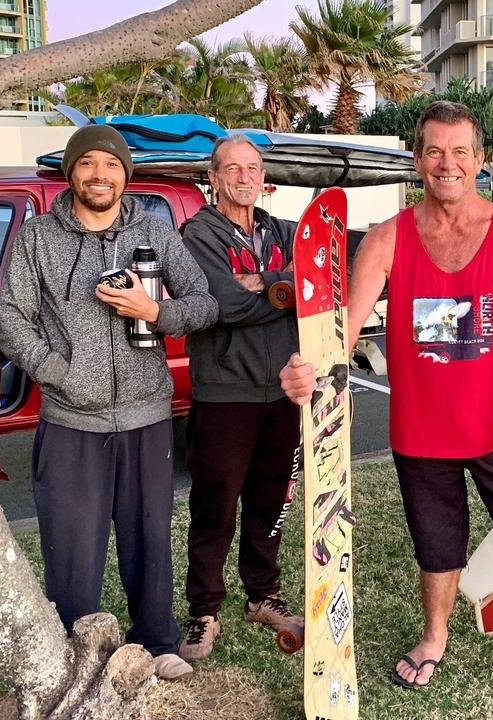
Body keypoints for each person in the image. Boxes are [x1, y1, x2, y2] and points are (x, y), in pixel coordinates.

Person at [281, 101, 493, 705]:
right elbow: (340, 333)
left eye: (459, 152)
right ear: (417, 160)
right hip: (420, 428)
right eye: (433, 151)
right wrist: (308, 370)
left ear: (479, 160)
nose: (446, 164)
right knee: (436, 542)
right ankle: (433, 638)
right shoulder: (388, 239)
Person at [0, 124, 219, 681]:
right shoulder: (38, 239)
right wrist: (57, 372)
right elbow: (11, 320)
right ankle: (77, 655)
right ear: (72, 173)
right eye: (89, 164)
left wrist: (155, 313)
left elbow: (204, 303)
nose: (101, 175)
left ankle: (156, 642)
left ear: (126, 174)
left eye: (112, 165)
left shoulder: (154, 232)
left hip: (147, 416)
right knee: (72, 550)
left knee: (149, 538)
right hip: (71, 420)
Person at [176, 135, 304, 662]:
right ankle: (204, 611)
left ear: (263, 175)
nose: (244, 176)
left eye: (252, 167)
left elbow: (324, 277)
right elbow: (223, 304)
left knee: (270, 500)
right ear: (214, 176)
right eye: (232, 167)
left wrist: (263, 282)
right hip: (224, 391)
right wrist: (285, 288)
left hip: (282, 390)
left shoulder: (282, 230)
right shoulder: (196, 234)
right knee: (216, 507)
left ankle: (262, 596)